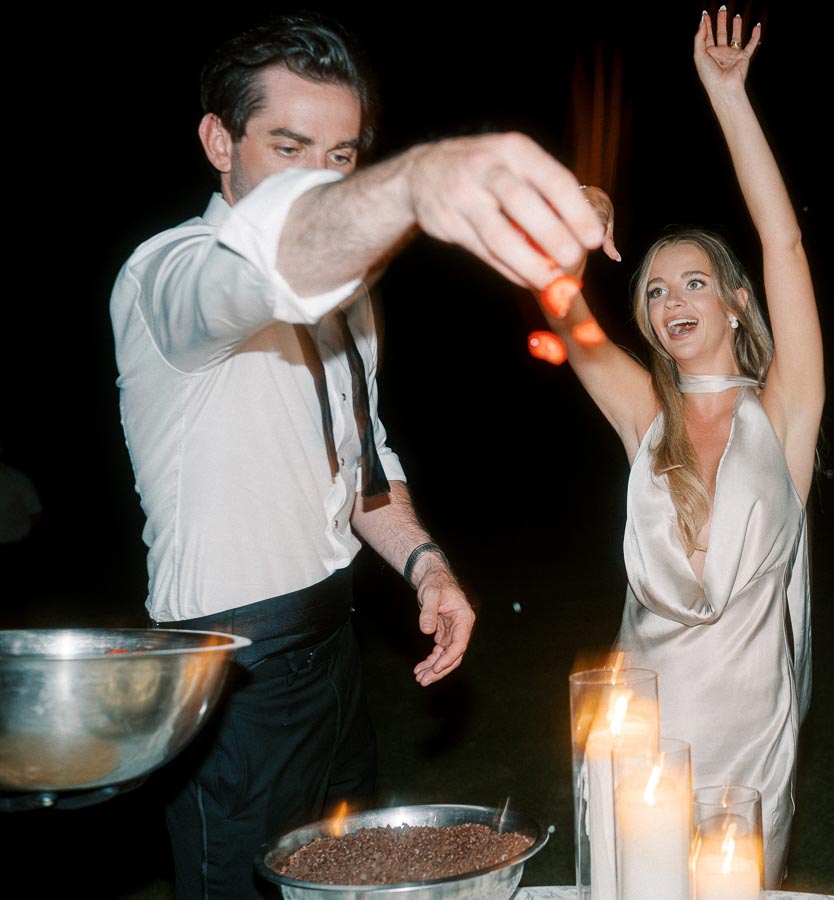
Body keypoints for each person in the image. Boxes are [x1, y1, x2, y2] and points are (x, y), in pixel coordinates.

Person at [110, 13, 604, 898]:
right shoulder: (170, 276)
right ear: (218, 140)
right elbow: (271, 266)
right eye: (287, 145)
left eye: (341, 158)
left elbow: (359, 462)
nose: (314, 179)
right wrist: (417, 183)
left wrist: (427, 568)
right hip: (231, 676)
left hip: (332, 656)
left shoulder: (346, 303)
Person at [537, 8, 821, 885]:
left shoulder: (787, 411)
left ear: (735, 302)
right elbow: (558, 305)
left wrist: (727, 96)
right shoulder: (642, 413)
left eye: (695, 280)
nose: (672, 299)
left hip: (751, 734)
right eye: (656, 290)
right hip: (641, 726)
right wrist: (573, 227)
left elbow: (783, 240)